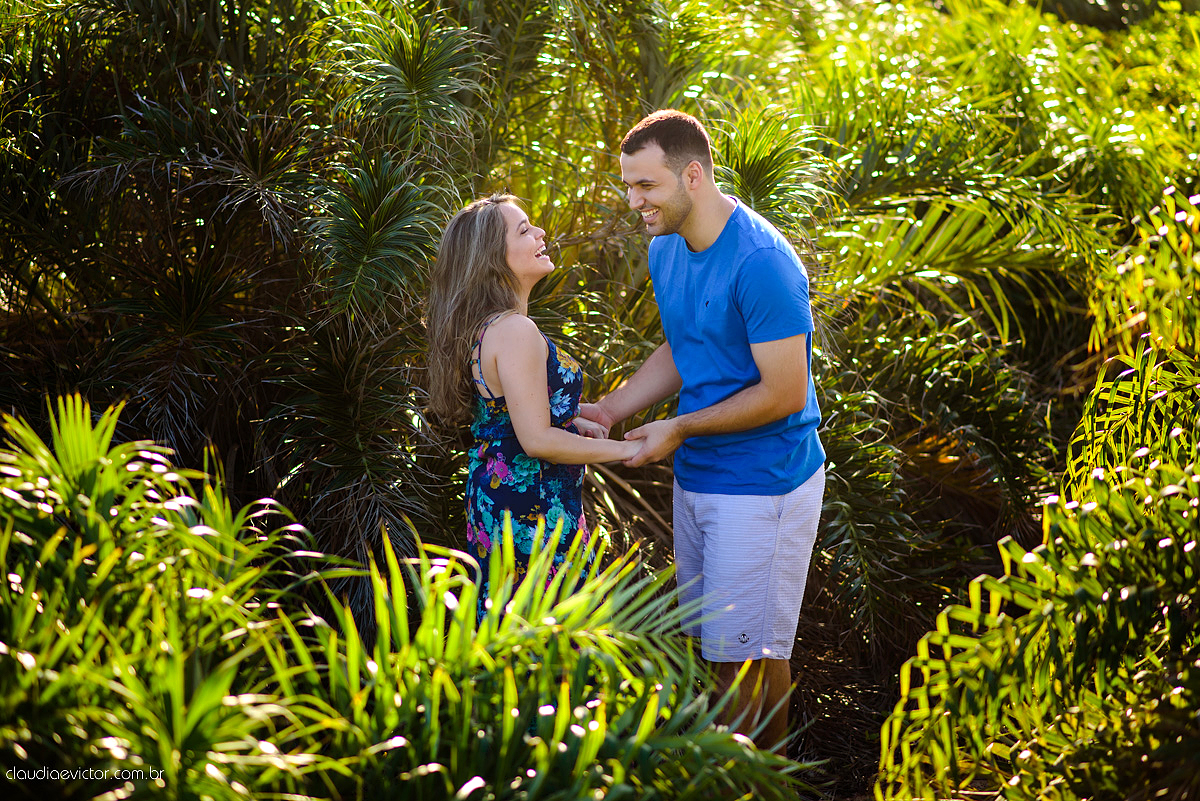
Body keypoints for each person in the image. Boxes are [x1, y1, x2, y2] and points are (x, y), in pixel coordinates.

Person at [579, 110, 825, 754]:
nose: (635, 203)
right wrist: (612, 410)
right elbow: (685, 345)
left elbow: (785, 391)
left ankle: (730, 781)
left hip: (764, 484)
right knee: (746, 649)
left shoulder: (763, 263)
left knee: (733, 664)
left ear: (693, 175)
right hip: (700, 476)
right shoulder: (667, 247)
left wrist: (681, 427)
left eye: (646, 186)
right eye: (629, 187)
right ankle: (769, 784)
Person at [426, 194, 640, 619]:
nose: (541, 233)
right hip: (532, 510)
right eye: (524, 230)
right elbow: (537, 439)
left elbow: (506, 414)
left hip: (501, 497)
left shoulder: (487, 327)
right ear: (492, 259)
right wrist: (629, 451)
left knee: (514, 629)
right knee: (546, 639)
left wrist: (574, 415)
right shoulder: (516, 330)